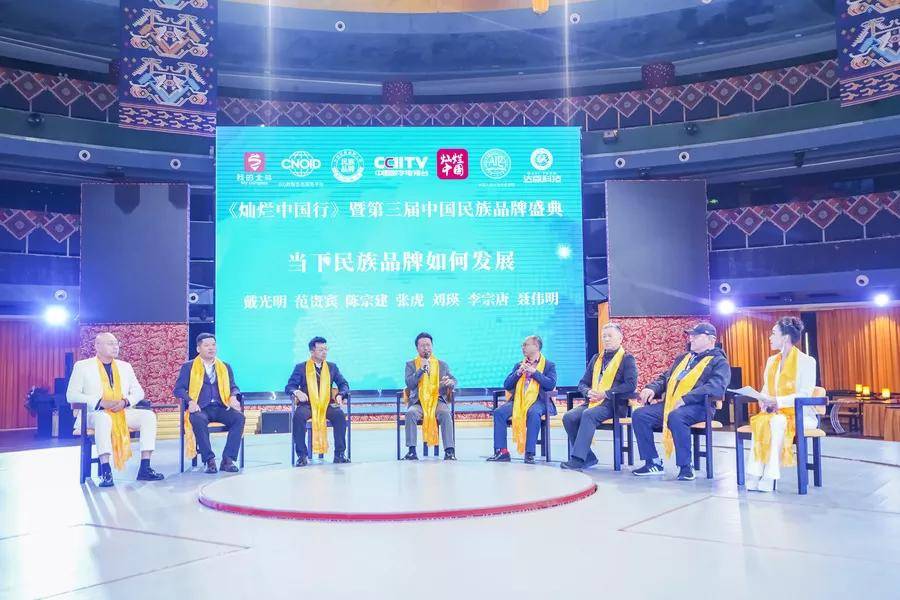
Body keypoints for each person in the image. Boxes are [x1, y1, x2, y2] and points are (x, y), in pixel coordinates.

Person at [631, 322, 731, 481]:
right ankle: (653, 462)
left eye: (696, 335)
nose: (691, 338)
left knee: (676, 416)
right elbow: (665, 378)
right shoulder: (684, 358)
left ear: (711, 339)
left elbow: (715, 387)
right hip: (673, 404)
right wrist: (652, 388)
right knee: (640, 414)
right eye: (691, 335)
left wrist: (686, 398)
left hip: (699, 407)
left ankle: (686, 466)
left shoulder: (719, 361)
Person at [67, 332, 163, 487]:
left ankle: (145, 467)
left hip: (121, 410)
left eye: (116, 344)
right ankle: (106, 471)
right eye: (110, 343)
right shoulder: (82, 366)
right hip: (94, 413)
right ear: (97, 346)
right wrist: (99, 402)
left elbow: (139, 392)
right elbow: (71, 395)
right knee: (103, 418)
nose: (115, 347)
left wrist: (126, 402)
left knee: (149, 416)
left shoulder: (125, 367)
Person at [746, 316, 817, 492]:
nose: (770, 337)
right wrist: (763, 399)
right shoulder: (772, 361)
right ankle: (754, 473)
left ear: (785, 337)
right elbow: (766, 389)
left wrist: (777, 401)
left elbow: (805, 394)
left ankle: (770, 476)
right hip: (775, 413)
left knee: (776, 422)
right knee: (760, 421)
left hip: (800, 415)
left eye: (773, 333)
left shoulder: (807, 361)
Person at [560, 322, 638, 470]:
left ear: (620, 338)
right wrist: (587, 391)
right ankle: (588, 457)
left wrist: (605, 394)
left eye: (610, 336)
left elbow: (630, 385)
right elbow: (582, 383)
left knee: (588, 414)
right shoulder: (596, 358)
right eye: (604, 336)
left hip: (613, 404)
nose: (606, 339)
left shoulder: (627, 359)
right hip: (593, 402)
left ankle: (578, 459)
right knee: (569, 417)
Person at [173, 333, 244, 474]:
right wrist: (190, 401)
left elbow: (234, 386)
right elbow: (178, 389)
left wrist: (233, 396)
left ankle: (228, 459)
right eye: (207, 345)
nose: (211, 348)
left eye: (213, 345)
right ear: (198, 349)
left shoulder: (225, 366)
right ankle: (209, 460)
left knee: (239, 418)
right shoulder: (189, 367)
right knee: (197, 419)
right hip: (200, 408)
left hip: (221, 406)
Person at [487, 335, 557, 464]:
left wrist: (534, 372)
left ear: (536, 346)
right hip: (519, 401)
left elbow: (550, 384)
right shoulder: (519, 365)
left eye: (525, 345)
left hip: (539, 401)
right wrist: (518, 373)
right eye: (522, 345)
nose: (522, 347)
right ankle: (502, 452)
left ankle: (529, 453)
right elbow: (507, 385)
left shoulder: (549, 365)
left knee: (533, 412)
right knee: (499, 412)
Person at [285, 336, 350, 466]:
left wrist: (340, 394)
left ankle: (339, 454)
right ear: (312, 351)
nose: (324, 352)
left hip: (326, 405)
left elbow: (344, 384)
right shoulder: (301, 367)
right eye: (321, 350)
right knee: (298, 417)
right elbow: (289, 386)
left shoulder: (332, 367)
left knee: (339, 415)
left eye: (326, 349)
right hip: (308, 405)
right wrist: (297, 392)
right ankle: (302, 456)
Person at [403, 332, 457, 460]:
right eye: (422, 345)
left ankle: (449, 451)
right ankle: (412, 451)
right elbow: (410, 384)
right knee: (410, 413)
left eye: (428, 345)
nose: (426, 348)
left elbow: (454, 380)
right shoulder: (411, 364)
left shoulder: (442, 365)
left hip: (437, 401)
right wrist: (421, 370)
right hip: (418, 402)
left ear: (432, 346)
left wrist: (450, 382)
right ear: (417, 348)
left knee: (445, 413)